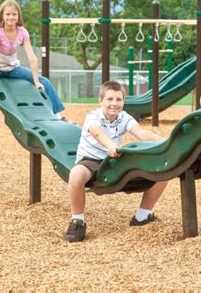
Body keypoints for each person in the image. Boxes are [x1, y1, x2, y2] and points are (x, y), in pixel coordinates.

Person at [63, 81, 168, 243]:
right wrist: (111, 145)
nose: (114, 104)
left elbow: (142, 133)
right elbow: (97, 132)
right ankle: (77, 221)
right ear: (101, 101)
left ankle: (142, 216)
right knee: (76, 174)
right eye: (109, 99)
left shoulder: (124, 117)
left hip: (113, 161)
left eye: (118, 100)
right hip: (90, 161)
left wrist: (168, 143)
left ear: (123, 102)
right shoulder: (93, 116)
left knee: (166, 168)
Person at [0, 0, 65, 143]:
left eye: (14, 14)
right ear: (2, 16)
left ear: (18, 16)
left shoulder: (22, 32)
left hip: (13, 67)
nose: (11, 17)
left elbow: (31, 56)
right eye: (7, 14)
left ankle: (58, 115)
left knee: (45, 81)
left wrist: (36, 80)